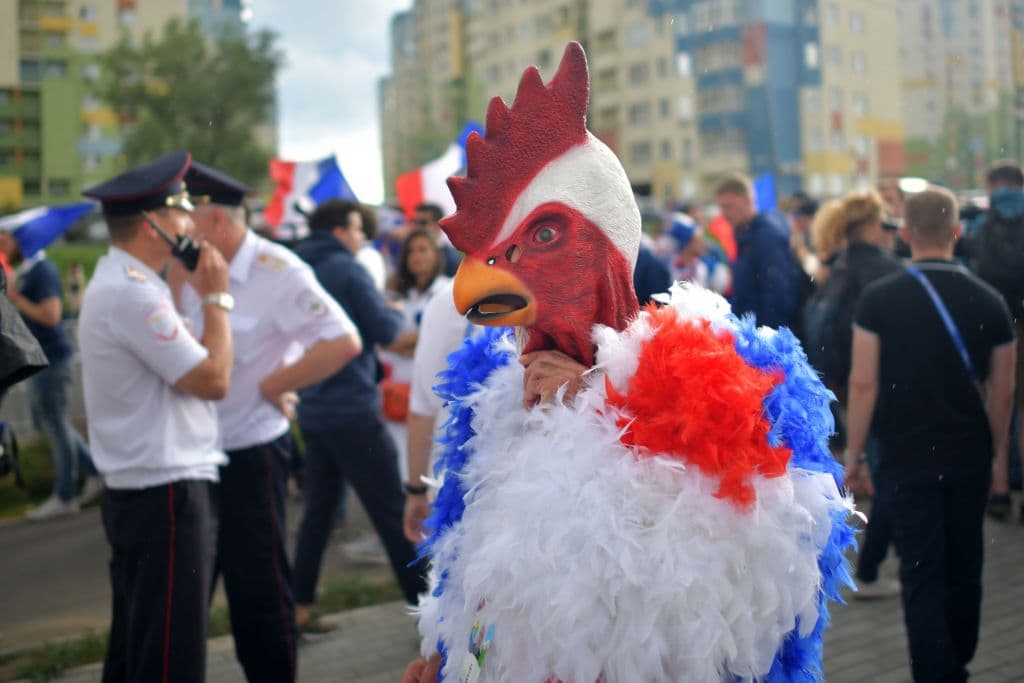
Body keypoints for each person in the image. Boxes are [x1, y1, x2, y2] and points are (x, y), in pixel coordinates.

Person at [175, 162, 362, 682]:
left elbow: (342, 341)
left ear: (216, 220)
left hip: (248, 453)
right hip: (188, 455)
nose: (182, 226)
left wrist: (274, 384)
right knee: (185, 595)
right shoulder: (186, 265)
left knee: (258, 594)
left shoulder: (277, 271)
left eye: (189, 216)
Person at [844, 186, 1015, 682]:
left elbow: (863, 383)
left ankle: (936, 671)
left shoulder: (879, 300)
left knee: (921, 569)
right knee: (965, 561)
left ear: (905, 233)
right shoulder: (991, 301)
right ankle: (960, 655)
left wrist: (854, 453)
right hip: (969, 452)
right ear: (957, 232)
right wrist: (994, 446)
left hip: (905, 452)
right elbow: (1004, 390)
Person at [79, 151, 234, 683]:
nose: (190, 222)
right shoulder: (133, 293)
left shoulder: (129, 283)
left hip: (149, 488)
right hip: (164, 491)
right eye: (180, 211)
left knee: (139, 644)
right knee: (169, 653)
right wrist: (216, 298)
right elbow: (212, 379)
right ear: (152, 224)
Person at [291, 199, 427, 630]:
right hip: (351, 406)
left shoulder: (294, 268)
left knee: (318, 514)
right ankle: (430, 616)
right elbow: (384, 331)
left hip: (313, 407)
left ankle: (299, 607)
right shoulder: (347, 270)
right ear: (338, 232)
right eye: (356, 230)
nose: (361, 238)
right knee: (392, 511)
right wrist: (395, 315)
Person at [0, 227, 102, 520]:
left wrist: (16, 298)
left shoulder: (41, 270)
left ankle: (66, 494)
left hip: (53, 360)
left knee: (54, 424)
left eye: (5, 238)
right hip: (44, 360)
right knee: (49, 424)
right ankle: (93, 472)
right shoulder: (29, 271)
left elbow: (51, 315)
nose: (1, 244)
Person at [402, 279, 481, 543]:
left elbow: (423, 407)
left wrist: (416, 490)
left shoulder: (450, 300)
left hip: (464, 477)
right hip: (550, 481)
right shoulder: (566, 289)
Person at [970, 160, 1024, 521]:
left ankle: (1000, 492)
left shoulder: (981, 222)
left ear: (992, 185)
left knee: (998, 403)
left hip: (992, 323)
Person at [715, 173, 802, 329]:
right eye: (721, 207)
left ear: (747, 200)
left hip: (765, 334)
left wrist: (765, 338)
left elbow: (777, 296)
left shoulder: (766, 236)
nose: (724, 214)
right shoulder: (745, 233)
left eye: (728, 206)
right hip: (750, 329)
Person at [412, 202, 461, 276]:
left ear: (438, 224)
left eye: (422, 222)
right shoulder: (407, 249)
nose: (416, 226)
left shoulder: (450, 259)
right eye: (414, 222)